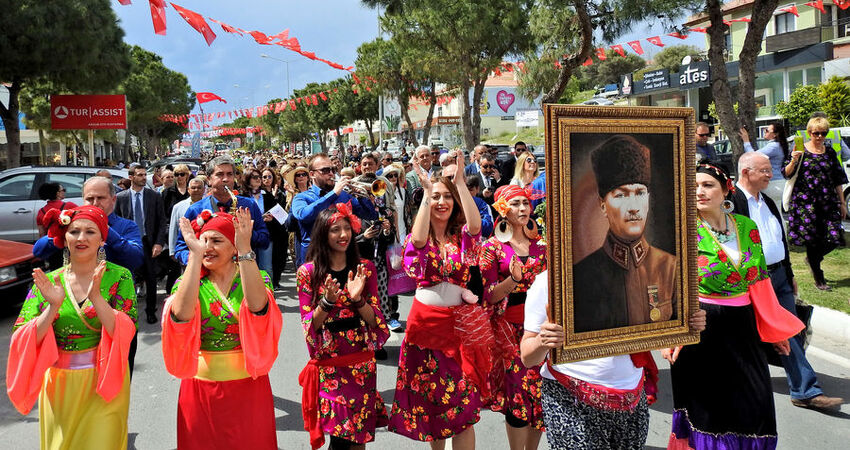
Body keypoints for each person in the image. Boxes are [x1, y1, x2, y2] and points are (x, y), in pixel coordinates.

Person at [667, 163, 804, 450]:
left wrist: (775, 331)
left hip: (743, 328)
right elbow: (666, 283)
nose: (699, 192)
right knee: (710, 412)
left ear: (726, 189)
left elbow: (760, 282)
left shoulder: (746, 226)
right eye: (693, 186)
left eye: (707, 185)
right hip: (701, 330)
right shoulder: (680, 230)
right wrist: (673, 331)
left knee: (755, 405)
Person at [520, 272, 706, 449]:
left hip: (631, 400)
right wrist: (542, 341)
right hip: (571, 399)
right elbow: (528, 357)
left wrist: (686, 325)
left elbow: (658, 323)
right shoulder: (550, 281)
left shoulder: (639, 274)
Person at [7, 205, 137, 449]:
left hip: (105, 383)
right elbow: (22, 337)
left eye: (90, 232)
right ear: (64, 238)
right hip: (60, 386)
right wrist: (53, 307)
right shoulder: (49, 281)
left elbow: (125, 332)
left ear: (102, 239)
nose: (81, 238)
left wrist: (97, 298)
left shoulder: (120, 277)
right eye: (74, 232)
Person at [388, 153, 490, 449]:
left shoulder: (463, 238)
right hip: (425, 326)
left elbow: (475, 226)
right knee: (434, 402)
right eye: (436, 197)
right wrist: (424, 193)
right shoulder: (419, 239)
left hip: (458, 326)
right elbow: (418, 240)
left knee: (464, 405)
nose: (442, 202)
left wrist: (458, 183)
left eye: (447, 197)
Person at [731, 152, 844, 411]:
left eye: (770, 170)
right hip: (753, 280)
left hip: (779, 275)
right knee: (749, 336)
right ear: (746, 172)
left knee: (791, 331)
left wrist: (790, 274)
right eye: (765, 171)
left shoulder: (767, 202)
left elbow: (779, 239)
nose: (772, 175)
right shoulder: (733, 202)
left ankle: (804, 389)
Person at [162, 208, 282, 450]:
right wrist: (194, 259)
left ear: (234, 247)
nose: (207, 246)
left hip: (249, 387)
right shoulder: (189, 281)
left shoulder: (257, 278)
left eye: (216, 240)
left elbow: (259, 309)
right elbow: (181, 318)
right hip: (199, 388)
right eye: (203, 240)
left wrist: (246, 248)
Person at [296, 204, 390, 449]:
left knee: (359, 435)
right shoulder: (308, 273)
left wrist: (357, 298)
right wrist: (327, 302)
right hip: (331, 365)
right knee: (340, 436)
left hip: (361, 363)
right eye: (335, 229)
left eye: (347, 228)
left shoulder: (364, 268)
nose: (343, 235)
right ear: (323, 234)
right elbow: (308, 326)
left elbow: (376, 320)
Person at [572, 135, 678, 332]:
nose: (633, 208)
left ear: (648, 199)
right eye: (620, 195)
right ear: (603, 205)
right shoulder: (580, 277)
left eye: (639, 193)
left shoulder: (671, 268)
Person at [480, 184, 547, 450]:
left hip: (541, 327)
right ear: (503, 210)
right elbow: (489, 296)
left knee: (541, 394)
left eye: (525, 203)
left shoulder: (542, 244)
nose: (522, 208)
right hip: (508, 330)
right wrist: (512, 280)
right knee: (519, 396)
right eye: (515, 203)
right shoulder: (492, 247)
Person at [783, 116, 847, 291]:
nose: (819, 137)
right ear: (809, 133)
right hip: (805, 203)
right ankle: (819, 278)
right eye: (816, 133)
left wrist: (842, 202)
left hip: (828, 202)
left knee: (835, 238)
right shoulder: (799, 149)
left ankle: (812, 260)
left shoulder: (830, 152)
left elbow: (838, 178)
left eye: (823, 133)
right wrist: (794, 160)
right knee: (812, 241)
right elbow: (787, 173)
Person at [173, 156, 270, 268]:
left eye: (229, 174)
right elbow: (180, 248)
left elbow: (265, 241)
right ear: (209, 179)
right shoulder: (195, 209)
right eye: (219, 174)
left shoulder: (249, 205)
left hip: (242, 273)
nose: (225, 179)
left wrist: (248, 233)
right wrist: (197, 259)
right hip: (207, 275)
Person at [291, 153, 378, 268]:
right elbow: (304, 216)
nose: (331, 173)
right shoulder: (302, 197)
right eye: (325, 170)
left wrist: (362, 196)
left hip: (342, 259)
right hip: (315, 259)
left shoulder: (344, 195)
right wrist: (333, 194)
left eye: (333, 169)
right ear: (312, 174)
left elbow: (370, 215)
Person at [115, 165, 168, 325]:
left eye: (145, 175)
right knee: (127, 278)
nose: (144, 178)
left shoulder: (153, 196)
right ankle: (126, 313)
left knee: (151, 278)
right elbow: (116, 221)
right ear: (131, 177)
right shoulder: (121, 197)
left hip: (148, 241)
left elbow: (161, 221)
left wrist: (159, 243)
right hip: (128, 243)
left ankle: (151, 311)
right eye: (140, 175)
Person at [740, 123, 790, 205]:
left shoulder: (773, 146)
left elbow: (753, 157)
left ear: (775, 134)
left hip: (772, 184)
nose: (764, 132)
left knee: (770, 214)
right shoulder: (778, 145)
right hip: (778, 182)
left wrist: (746, 141)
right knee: (776, 213)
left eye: (767, 130)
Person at [242, 168, 276, 275]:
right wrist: (260, 217)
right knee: (250, 267)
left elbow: (279, 215)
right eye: (255, 177)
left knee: (266, 268)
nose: (259, 179)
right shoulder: (242, 197)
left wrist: (272, 218)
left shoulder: (267, 195)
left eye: (259, 177)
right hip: (248, 237)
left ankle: (268, 291)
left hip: (266, 234)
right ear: (247, 179)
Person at [168, 177, 207, 263]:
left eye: (199, 187)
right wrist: (172, 251)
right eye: (193, 188)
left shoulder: (209, 205)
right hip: (184, 250)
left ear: (204, 190)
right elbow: (173, 229)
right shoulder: (178, 207)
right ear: (188, 190)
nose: (196, 190)